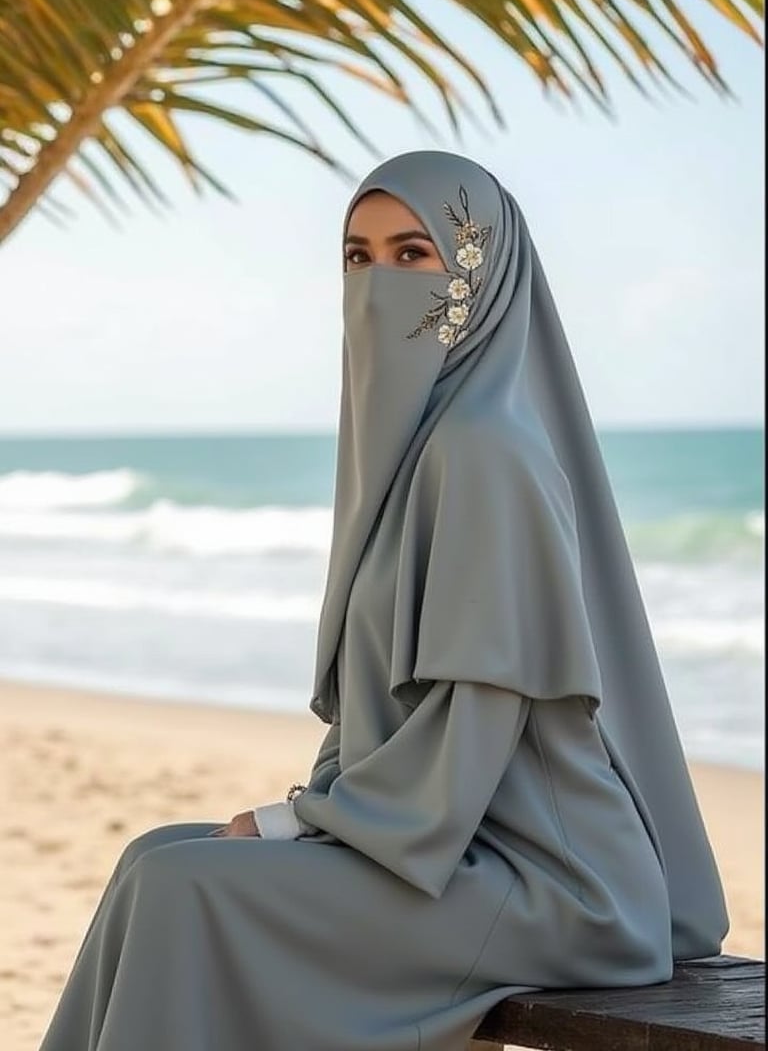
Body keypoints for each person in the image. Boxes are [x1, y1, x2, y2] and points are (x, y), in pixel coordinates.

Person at [39, 150, 728, 1051]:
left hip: (553, 885)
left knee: (186, 887)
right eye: (357, 258)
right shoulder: (413, 456)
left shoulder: (487, 452)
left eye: (415, 255)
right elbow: (388, 713)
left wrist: (301, 819)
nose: (379, 283)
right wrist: (320, 806)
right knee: (154, 859)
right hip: (447, 848)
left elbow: (475, 716)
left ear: (481, 278)